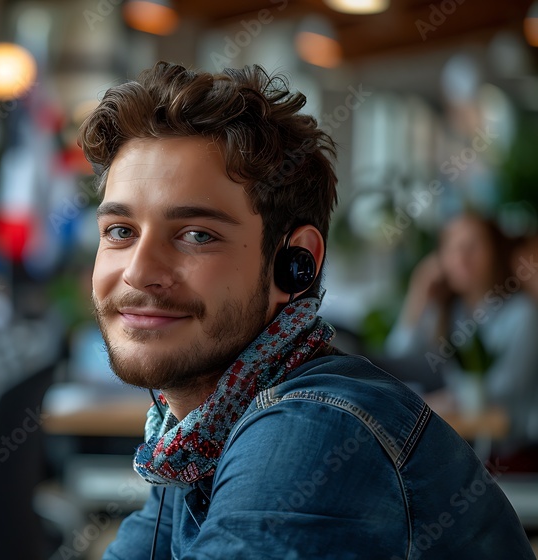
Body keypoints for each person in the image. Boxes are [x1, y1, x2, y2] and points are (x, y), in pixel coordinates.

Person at [79, 62, 531, 558]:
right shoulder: (199, 433)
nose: (139, 271)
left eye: (197, 235)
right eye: (120, 231)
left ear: (295, 265)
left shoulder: (313, 431)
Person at [386, 213, 538, 462]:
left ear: (495, 252)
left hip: (506, 453)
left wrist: (445, 400)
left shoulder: (522, 313)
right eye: (452, 248)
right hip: (456, 445)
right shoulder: (446, 310)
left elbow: (506, 388)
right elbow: (397, 360)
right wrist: (418, 292)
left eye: (472, 247)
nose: (462, 258)